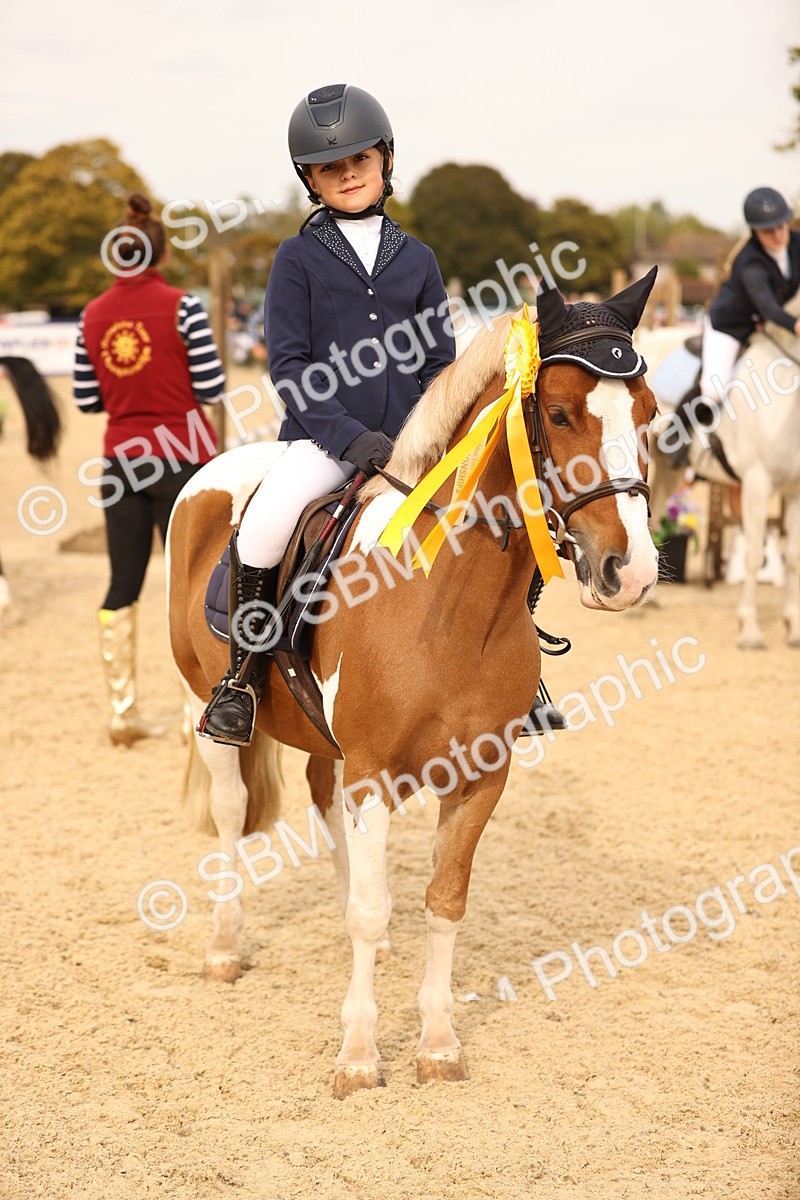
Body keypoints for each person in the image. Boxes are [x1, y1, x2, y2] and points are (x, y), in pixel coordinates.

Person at [74, 194, 225, 745]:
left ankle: (123, 712)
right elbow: (210, 388)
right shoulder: (183, 306)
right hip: (182, 455)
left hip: (121, 459)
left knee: (123, 582)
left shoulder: (91, 315)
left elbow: (87, 398)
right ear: (159, 252)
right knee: (189, 585)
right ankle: (196, 713)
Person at [661, 187, 800, 467]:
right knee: (714, 388)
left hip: (763, 325)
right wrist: (796, 324)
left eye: (781, 225)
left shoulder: (796, 243)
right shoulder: (750, 262)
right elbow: (768, 307)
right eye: (768, 230)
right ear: (754, 231)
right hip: (729, 326)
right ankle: (675, 435)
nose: (777, 234)